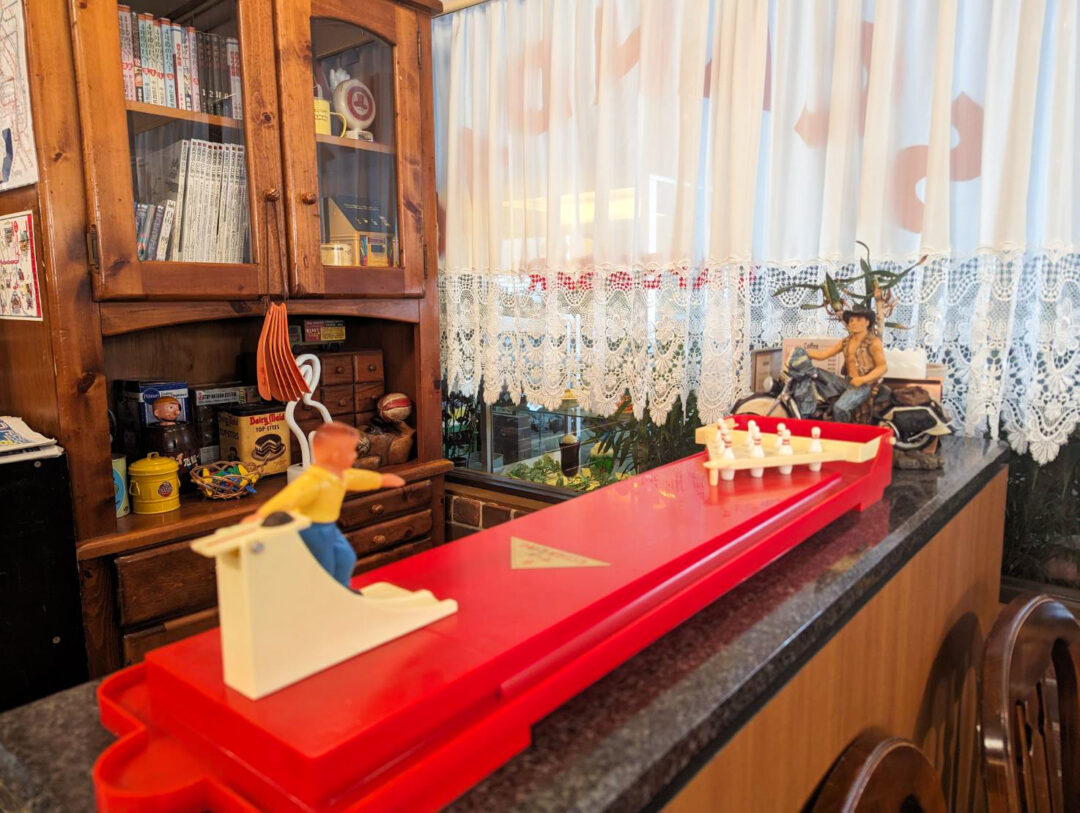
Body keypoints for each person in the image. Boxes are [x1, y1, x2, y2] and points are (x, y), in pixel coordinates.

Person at [244, 422, 405, 586]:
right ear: (335, 455)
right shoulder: (313, 481)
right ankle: (324, 592)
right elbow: (287, 499)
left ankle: (341, 588)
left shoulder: (339, 475)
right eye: (351, 451)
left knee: (345, 557)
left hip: (329, 527)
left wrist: (381, 480)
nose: (355, 456)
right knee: (324, 567)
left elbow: (357, 478)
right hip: (311, 529)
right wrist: (261, 515)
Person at [803, 306, 888, 423]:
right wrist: (804, 353)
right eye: (851, 320)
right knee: (814, 373)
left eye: (858, 320)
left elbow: (883, 367)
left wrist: (862, 379)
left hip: (863, 386)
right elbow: (824, 354)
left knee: (840, 408)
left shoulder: (873, 342)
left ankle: (844, 430)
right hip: (847, 382)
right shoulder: (846, 341)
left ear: (867, 323)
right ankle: (828, 402)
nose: (853, 323)